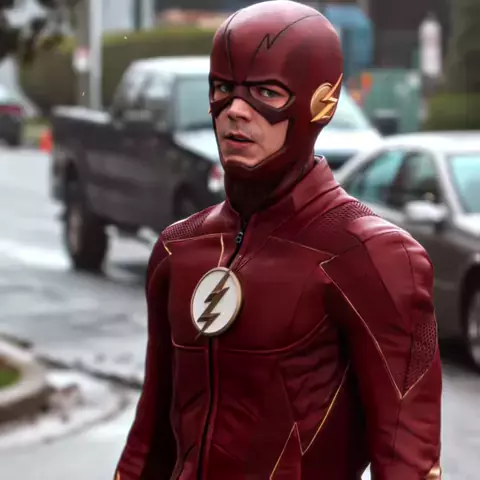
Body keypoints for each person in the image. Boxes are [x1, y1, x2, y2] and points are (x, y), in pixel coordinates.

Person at [114, 1, 442, 478]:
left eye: (267, 92)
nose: (235, 111)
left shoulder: (375, 255)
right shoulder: (177, 249)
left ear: (322, 102)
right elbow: (150, 441)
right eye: (223, 89)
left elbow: (409, 461)